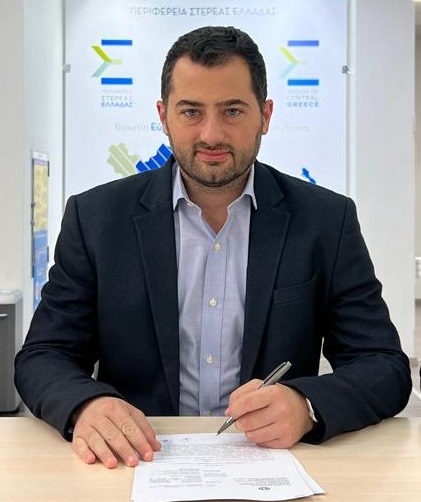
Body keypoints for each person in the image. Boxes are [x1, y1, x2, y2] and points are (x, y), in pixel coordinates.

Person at [15, 25, 411, 469]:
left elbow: (384, 365)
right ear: (163, 115)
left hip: (273, 469)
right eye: (191, 111)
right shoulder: (96, 219)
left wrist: (306, 404)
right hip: (135, 464)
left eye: (232, 111)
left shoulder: (325, 220)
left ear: (265, 115)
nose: (211, 134)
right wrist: (86, 405)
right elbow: (43, 356)